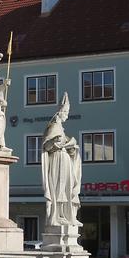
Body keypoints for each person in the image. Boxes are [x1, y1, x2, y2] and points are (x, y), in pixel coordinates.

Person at [41, 92, 82, 228]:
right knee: (59, 189)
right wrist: (53, 141)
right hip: (57, 161)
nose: (67, 115)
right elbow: (46, 146)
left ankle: (66, 215)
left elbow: (66, 145)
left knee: (67, 188)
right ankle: (57, 216)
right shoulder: (53, 126)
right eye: (66, 112)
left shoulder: (61, 128)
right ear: (61, 112)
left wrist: (72, 149)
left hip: (65, 160)